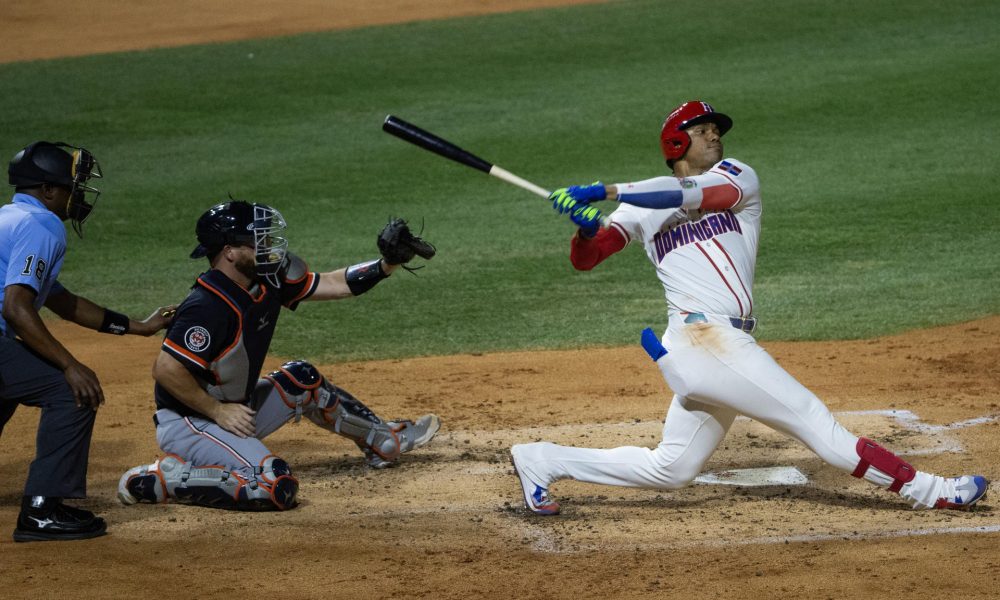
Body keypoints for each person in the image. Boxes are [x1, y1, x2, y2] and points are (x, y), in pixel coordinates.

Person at [510, 101, 989, 515]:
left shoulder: (737, 178)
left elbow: (691, 194)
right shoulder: (640, 208)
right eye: (701, 130)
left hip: (719, 345)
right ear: (676, 144)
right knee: (812, 420)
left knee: (673, 467)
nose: (714, 134)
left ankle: (542, 459)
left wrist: (605, 190)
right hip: (703, 341)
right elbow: (587, 260)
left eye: (715, 129)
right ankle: (934, 491)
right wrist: (585, 228)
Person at [117, 201, 440, 511]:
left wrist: (386, 265)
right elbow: (165, 369)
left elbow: (332, 284)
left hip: (236, 411)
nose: (268, 245)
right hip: (191, 421)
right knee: (273, 487)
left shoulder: (267, 279)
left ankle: (382, 440)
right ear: (229, 252)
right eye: (257, 240)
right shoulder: (207, 305)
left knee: (303, 380)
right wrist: (217, 411)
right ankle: (165, 480)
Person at [1, 141, 175, 542]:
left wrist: (139, 326)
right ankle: (42, 512)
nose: (76, 196)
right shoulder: (41, 226)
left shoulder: (10, 218)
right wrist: (69, 365)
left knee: (10, 383)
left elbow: (63, 302)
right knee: (71, 391)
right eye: (71, 186)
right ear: (48, 190)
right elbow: (17, 308)